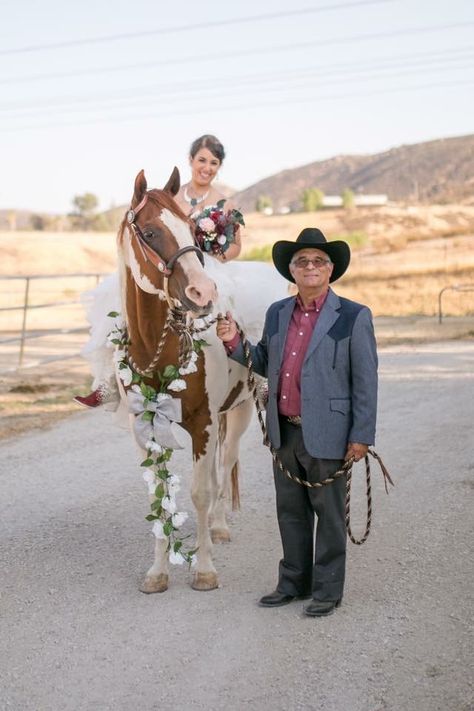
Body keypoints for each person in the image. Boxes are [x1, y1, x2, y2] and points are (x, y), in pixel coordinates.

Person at [216, 228, 378, 617]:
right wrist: (233, 340)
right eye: (302, 261)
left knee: (330, 515)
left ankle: (327, 590)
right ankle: (293, 582)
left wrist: (361, 435)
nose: (310, 267)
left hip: (331, 433)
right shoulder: (278, 313)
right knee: (290, 512)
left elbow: (366, 380)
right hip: (284, 429)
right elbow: (265, 363)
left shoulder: (353, 316)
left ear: (330, 269)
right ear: (291, 270)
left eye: (318, 261)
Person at [74, 134, 287, 408]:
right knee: (116, 294)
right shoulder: (169, 197)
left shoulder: (226, 204)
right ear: (191, 160)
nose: (207, 167)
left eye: (214, 162)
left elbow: (236, 247)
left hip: (209, 264)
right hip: (171, 265)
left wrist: (219, 250)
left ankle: (258, 376)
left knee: (244, 303)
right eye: (202, 160)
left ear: (219, 166)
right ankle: (107, 380)